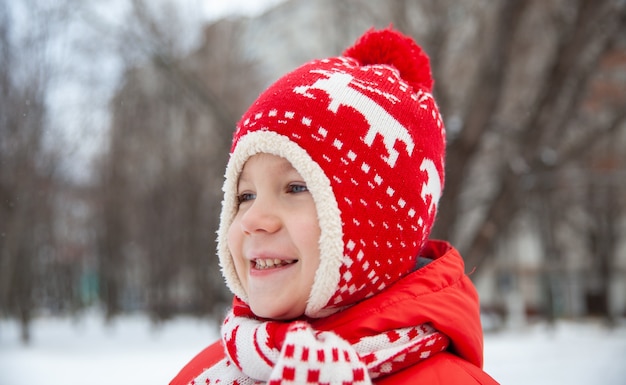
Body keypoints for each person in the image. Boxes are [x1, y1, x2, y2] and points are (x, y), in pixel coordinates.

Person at [170, 27, 500, 384]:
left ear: (375, 225)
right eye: (244, 195)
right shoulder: (208, 371)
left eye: (295, 187)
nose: (253, 220)